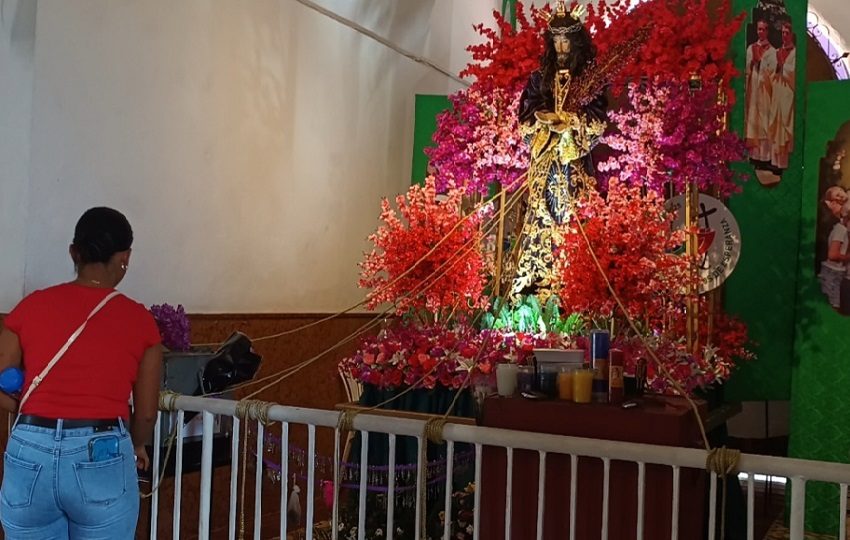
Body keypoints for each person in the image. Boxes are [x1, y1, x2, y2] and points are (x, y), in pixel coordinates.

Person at [0, 207, 162, 539]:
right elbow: (145, 413)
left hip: (30, 447)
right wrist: (139, 446)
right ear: (125, 257)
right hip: (100, 452)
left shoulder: (31, 307)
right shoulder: (139, 321)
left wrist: (32, 413)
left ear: (74, 251)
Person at [509, 0, 607, 303]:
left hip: (573, 165)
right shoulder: (539, 78)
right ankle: (534, 285)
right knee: (540, 216)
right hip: (545, 162)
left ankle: (574, 287)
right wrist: (546, 122)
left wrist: (573, 121)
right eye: (556, 39)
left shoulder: (589, 79)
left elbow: (599, 118)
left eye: (566, 39)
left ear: (576, 42)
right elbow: (526, 114)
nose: (561, 45)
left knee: (574, 219)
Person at [745, 18, 778, 186]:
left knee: (764, 124)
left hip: (765, 93)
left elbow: (773, 72)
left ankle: (764, 157)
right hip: (754, 93)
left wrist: (761, 63)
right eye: (759, 29)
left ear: (768, 32)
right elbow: (746, 69)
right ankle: (754, 156)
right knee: (753, 123)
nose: (761, 32)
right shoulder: (752, 48)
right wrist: (752, 63)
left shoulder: (772, 51)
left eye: (764, 29)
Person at [769, 21, 796, 172]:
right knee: (776, 125)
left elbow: (793, 74)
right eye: (783, 33)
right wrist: (777, 67)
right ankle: (775, 162)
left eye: (787, 33)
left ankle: (784, 163)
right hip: (777, 92)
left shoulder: (794, 53)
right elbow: (772, 74)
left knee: (785, 128)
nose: (784, 36)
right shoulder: (778, 51)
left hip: (787, 94)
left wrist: (784, 67)